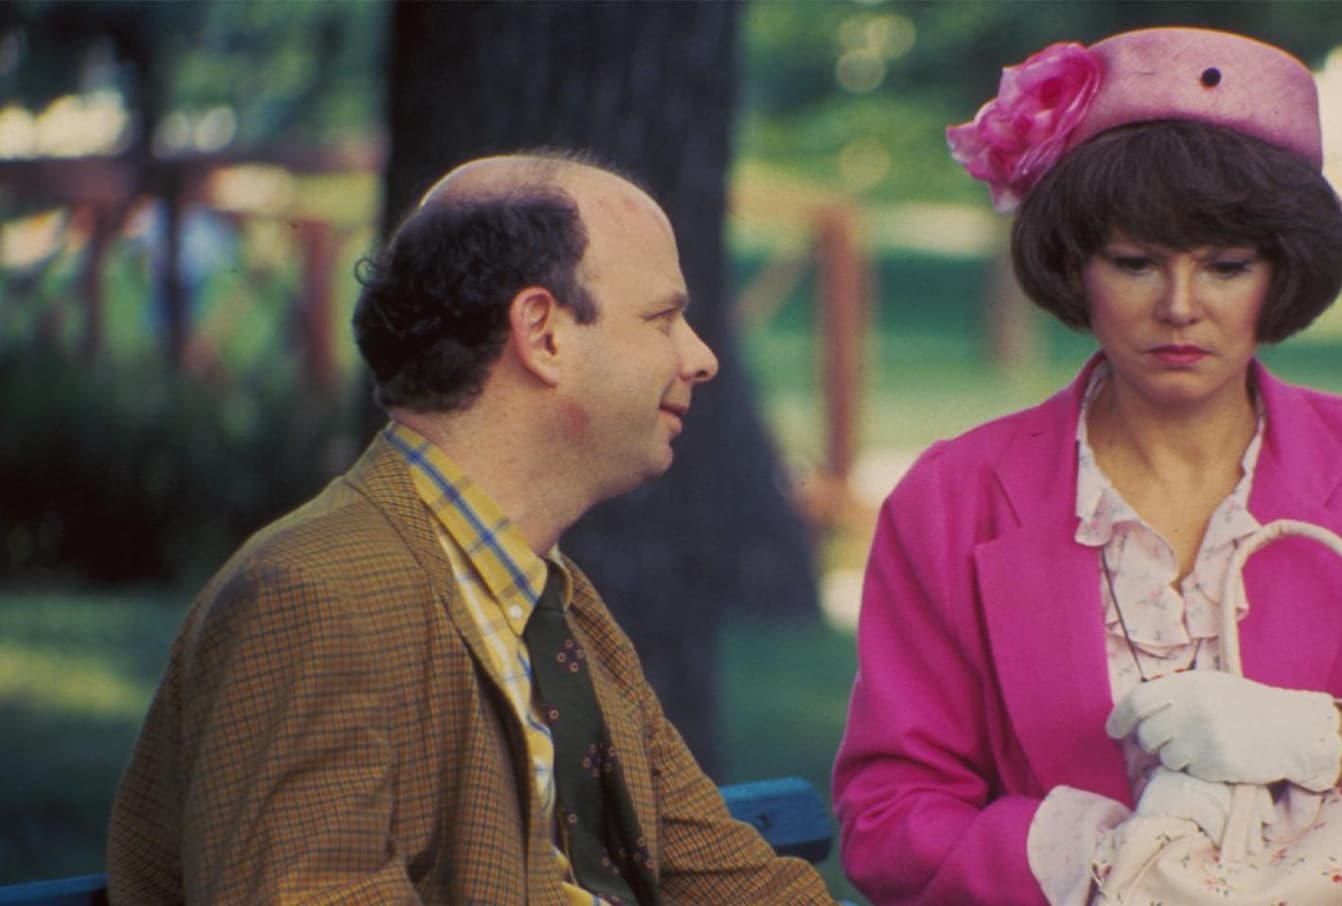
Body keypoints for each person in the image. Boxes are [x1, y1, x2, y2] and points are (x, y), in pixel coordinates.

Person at [831, 27, 1342, 906]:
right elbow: (889, 822)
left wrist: (1334, 738)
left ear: (1282, 271)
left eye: (1226, 266)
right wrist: (1108, 859)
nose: (1180, 306)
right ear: (1074, 265)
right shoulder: (951, 499)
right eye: (1135, 263)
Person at [107, 152, 835, 904]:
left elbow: (735, 884)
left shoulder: (556, 611)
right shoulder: (312, 599)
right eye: (662, 319)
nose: (702, 357)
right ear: (542, 334)